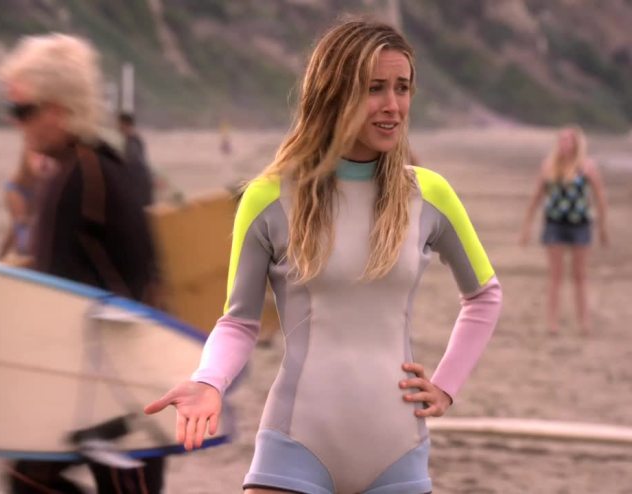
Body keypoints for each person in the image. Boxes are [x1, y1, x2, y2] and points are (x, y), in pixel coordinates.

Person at [145, 19, 502, 494]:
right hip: (296, 444)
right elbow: (239, 322)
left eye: (402, 88)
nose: (393, 105)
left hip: (396, 451)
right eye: (374, 88)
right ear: (334, 92)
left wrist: (446, 385)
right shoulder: (269, 198)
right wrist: (209, 381)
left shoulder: (428, 194)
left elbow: (484, 296)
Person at [0, 33, 163, 494]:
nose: (15, 122)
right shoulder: (93, 165)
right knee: (25, 479)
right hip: (102, 383)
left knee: (27, 480)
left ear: (56, 109)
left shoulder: (80, 178)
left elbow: (60, 292)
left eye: (22, 110)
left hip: (113, 393)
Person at [520, 126, 608, 334]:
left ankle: (584, 321)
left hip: (580, 225)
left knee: (580, 275)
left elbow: (600, 197)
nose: (564, 144)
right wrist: (527, 227)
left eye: (568, 140)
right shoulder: (549, 166)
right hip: (554, 224)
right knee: (555, 276)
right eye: (561, 140)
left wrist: (603, 227)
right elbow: (536, 197)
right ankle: (552, 322)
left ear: (576, 144)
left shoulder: (587, 167)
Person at [0, 148, 52, 266]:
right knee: (21, 224)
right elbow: (19, 224)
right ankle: (4, 256)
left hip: (36, 185)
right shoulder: (33, 150)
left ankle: (2, 256)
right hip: (20, 187)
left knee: (21, 225)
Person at [117, 112, 154, 207]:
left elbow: (134, 161)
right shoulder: (133, 139)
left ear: (125, 124)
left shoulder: (132, 141)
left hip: (139, 183)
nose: (117, 127)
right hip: (141, 182)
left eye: (119, 124)